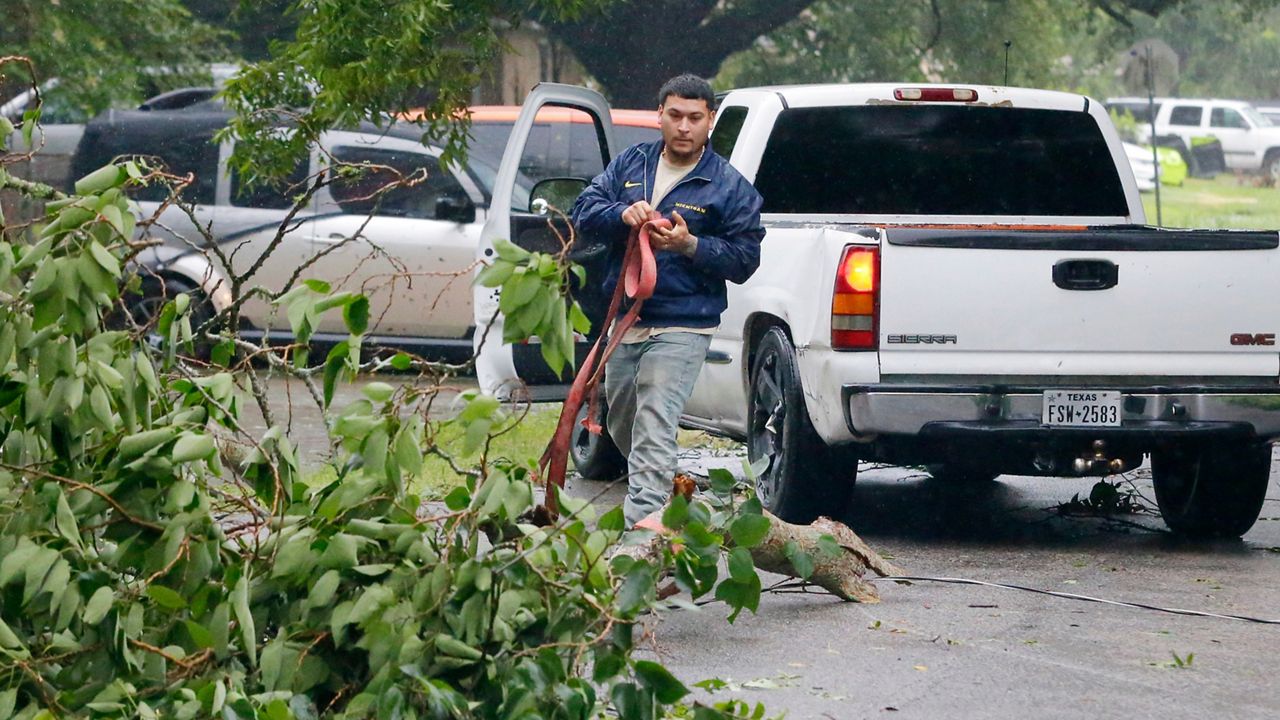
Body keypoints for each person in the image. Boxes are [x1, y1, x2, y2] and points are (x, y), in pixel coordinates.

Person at [570, 74, 765, 527]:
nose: (683, 127)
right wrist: (621, 213)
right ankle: (677, 501)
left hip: (684, 323)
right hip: (626, 319)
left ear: (710, 121)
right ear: (659, 115)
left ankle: (643, 539)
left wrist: (689, 245)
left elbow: (744, 259)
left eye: (695, 118)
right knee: (624, 423)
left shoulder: (730, 187)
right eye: (675, 115)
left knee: (655, 419)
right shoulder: (629, 165)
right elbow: (583, 210)